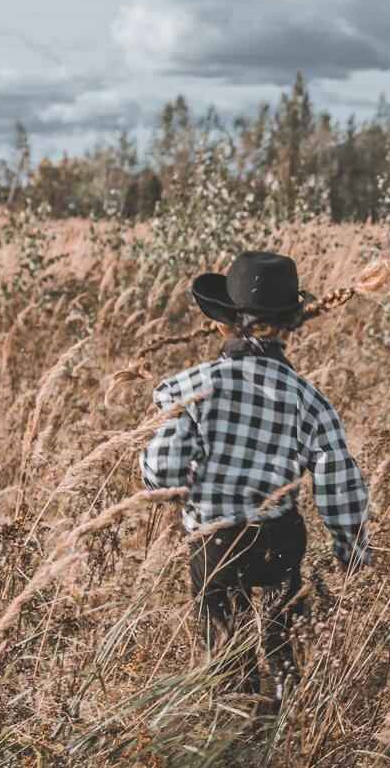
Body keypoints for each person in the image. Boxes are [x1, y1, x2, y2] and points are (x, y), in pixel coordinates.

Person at [142, 251, 370, 699]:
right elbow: (337, 478)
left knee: (227, 652)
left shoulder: (188, 387)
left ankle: (239, 720)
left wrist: (183, 485)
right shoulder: (308, 398)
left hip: (214, 542)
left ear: (222, 325)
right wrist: (350, 546)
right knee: (283, 641)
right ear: (290, 327)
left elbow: (161, 471)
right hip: (279, 536)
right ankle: (285, 714)